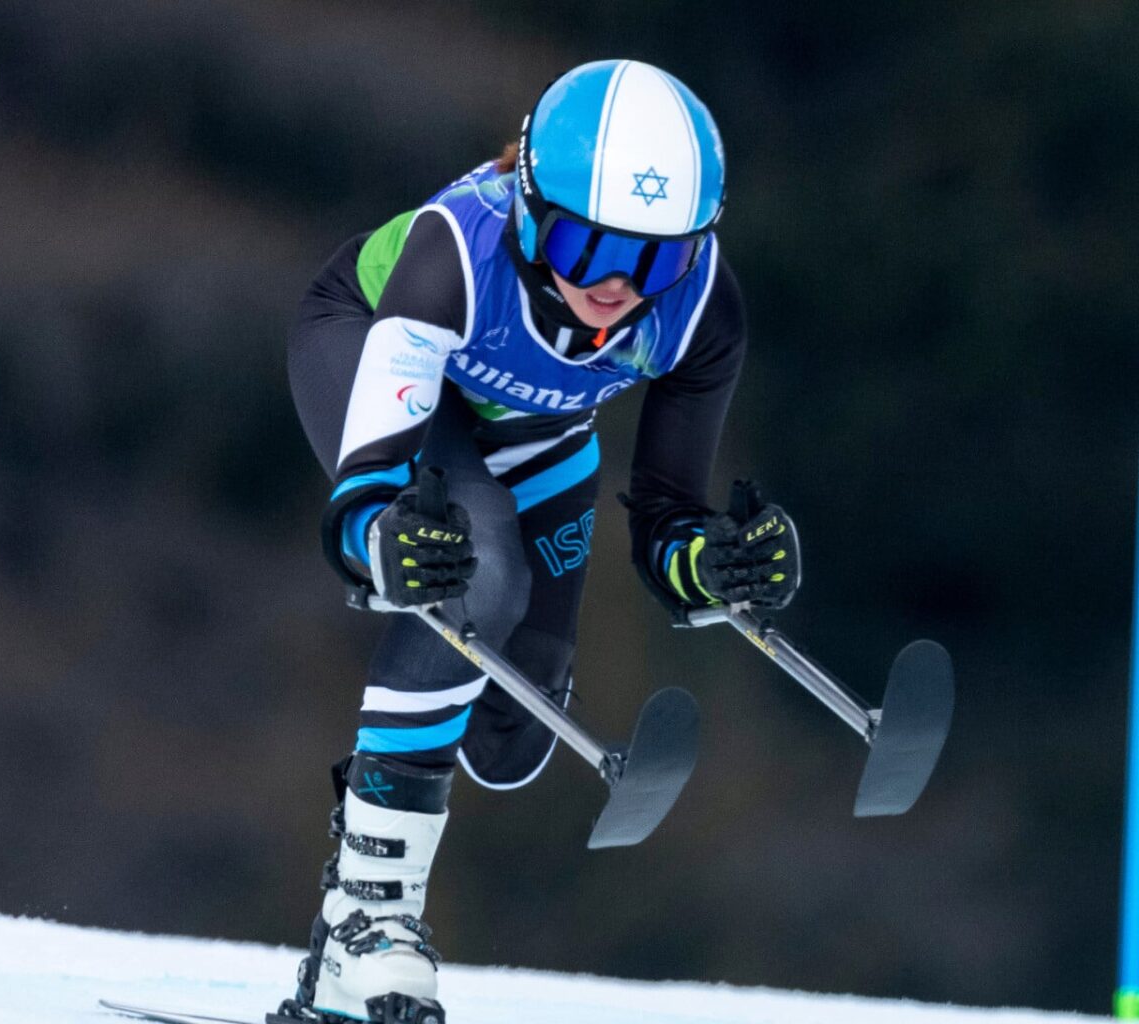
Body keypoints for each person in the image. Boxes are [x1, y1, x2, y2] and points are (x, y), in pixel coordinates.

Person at [279, 59, 800, 1024]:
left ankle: (361, 920)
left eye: (653, 261)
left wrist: (714, 566)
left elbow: (666, 517)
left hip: (534, 424)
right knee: (474, 577)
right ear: (527, 211)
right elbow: (364, 505)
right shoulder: (452, 255)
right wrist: (381, 540)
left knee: (516, 734)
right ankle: (366, 921)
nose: (614, 285)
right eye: (582, 245)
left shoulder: (702, 309)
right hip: (373, 342)